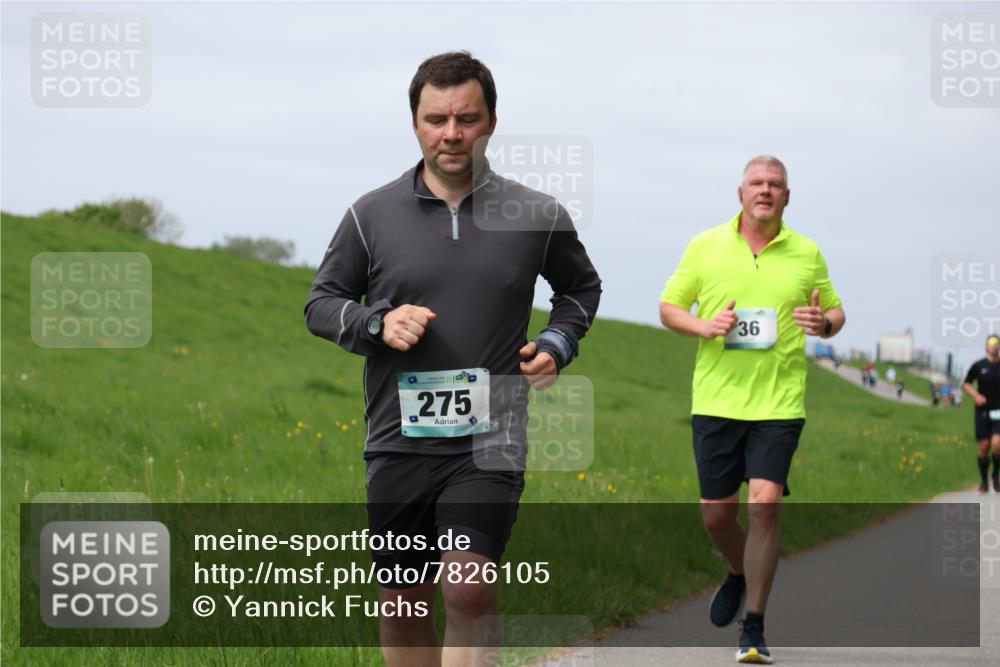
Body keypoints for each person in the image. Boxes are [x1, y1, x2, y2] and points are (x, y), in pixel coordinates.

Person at [304, 51, 602, 667]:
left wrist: (556, 344)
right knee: (402, 602)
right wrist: (376, 323)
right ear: (415, 123)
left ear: (491, 121)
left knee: (469, 586)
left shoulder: (537, 214)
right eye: (436, 119)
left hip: (490, 441)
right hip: (397, 440)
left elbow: (580, 290)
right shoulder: (370, 215)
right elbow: (321, 303)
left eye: (467, 118)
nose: (451, 133)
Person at [659, 155, 845, 664]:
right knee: (717, 516)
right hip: (717, 399)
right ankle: (739, 571)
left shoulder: (807, 252)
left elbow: (835, 310)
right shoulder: (705, 246)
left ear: (787, 197)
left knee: (764, 504)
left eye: (775, 184)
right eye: (757, 183)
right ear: (740, 193)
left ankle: (755, 627)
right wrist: (704, 326)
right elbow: (669, 307)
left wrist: (824, 324)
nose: (765, 190)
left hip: (779, 401)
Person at [962, 335, 1000, 493]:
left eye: (997, 344)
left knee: (998, 444)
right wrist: (976, 396)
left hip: (999, 412)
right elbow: (966, 384)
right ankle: (984, 480)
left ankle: (995, 475)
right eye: (992, 344)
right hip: (983, 412)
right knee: (984, 446)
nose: (994, 346)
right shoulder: (978, 365)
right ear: (986, 347)